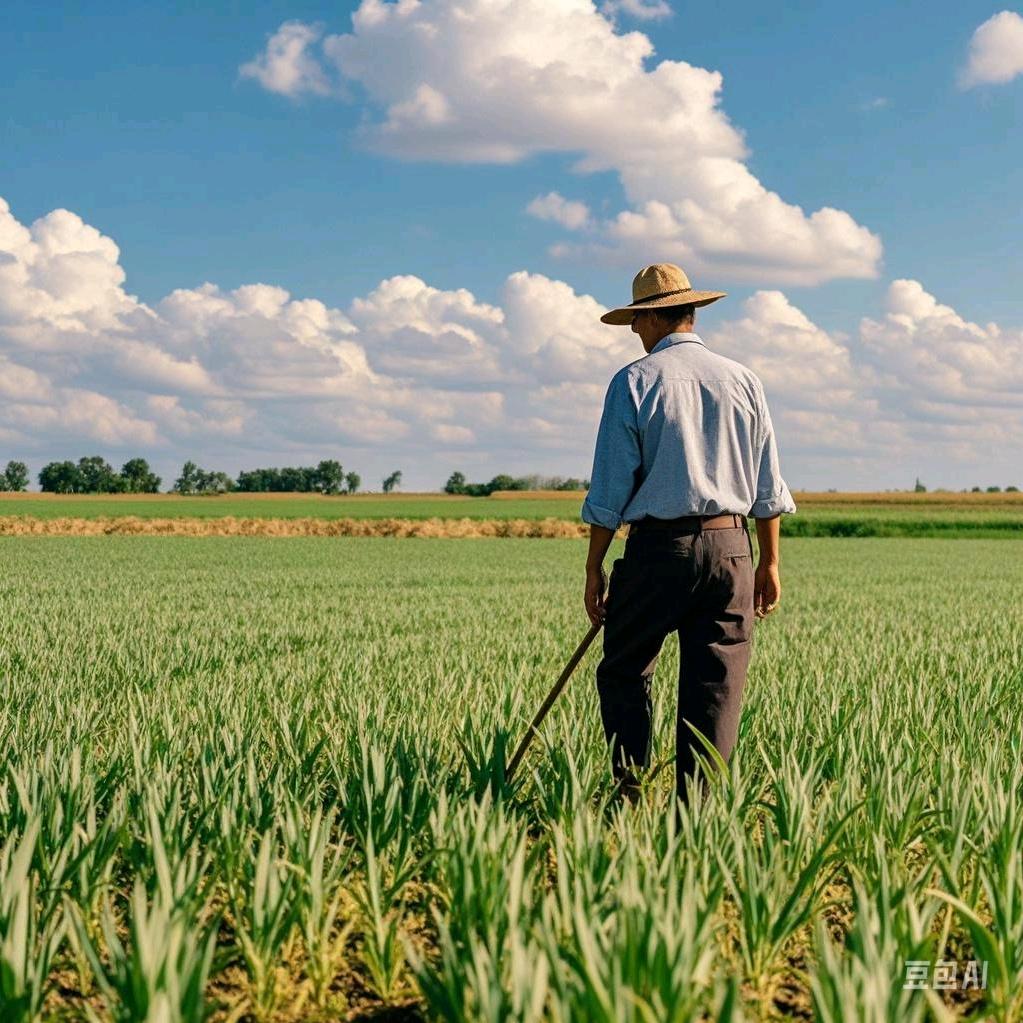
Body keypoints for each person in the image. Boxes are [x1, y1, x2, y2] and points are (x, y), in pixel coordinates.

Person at [581, 262, 796, 809]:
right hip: (732, 549)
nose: (634, 331)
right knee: (716, 684)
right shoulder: (743, 379)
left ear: (653, 318)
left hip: (658, 550)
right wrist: (769, 564)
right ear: (691, 313)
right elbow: (767, 484)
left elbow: (610, 487)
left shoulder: (633, 381)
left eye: (636, 320)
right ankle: (694, 816)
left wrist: (594, 568)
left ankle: (629, 790)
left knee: (624, 669)